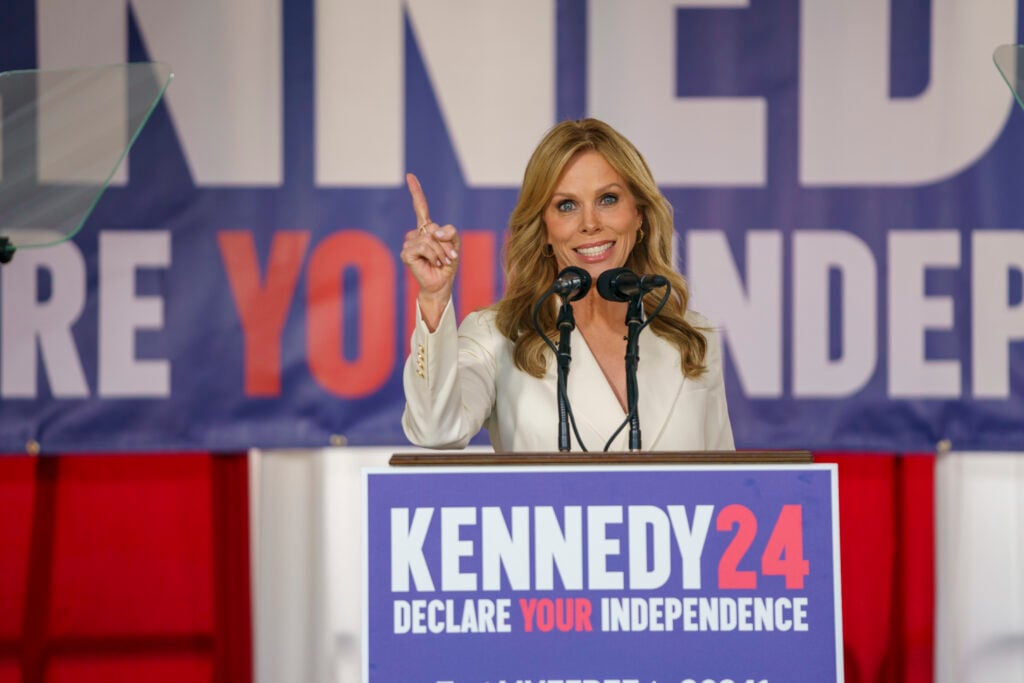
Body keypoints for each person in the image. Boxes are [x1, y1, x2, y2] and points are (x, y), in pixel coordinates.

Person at [400, 118, 734, 452]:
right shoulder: (497, 335)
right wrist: (434, 297)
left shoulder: (693, 336)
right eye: (567, 205)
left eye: (607, 199)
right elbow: (435, 431)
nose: (590, 224)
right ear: (543, 228)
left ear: (639, 214)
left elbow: (727, 489)